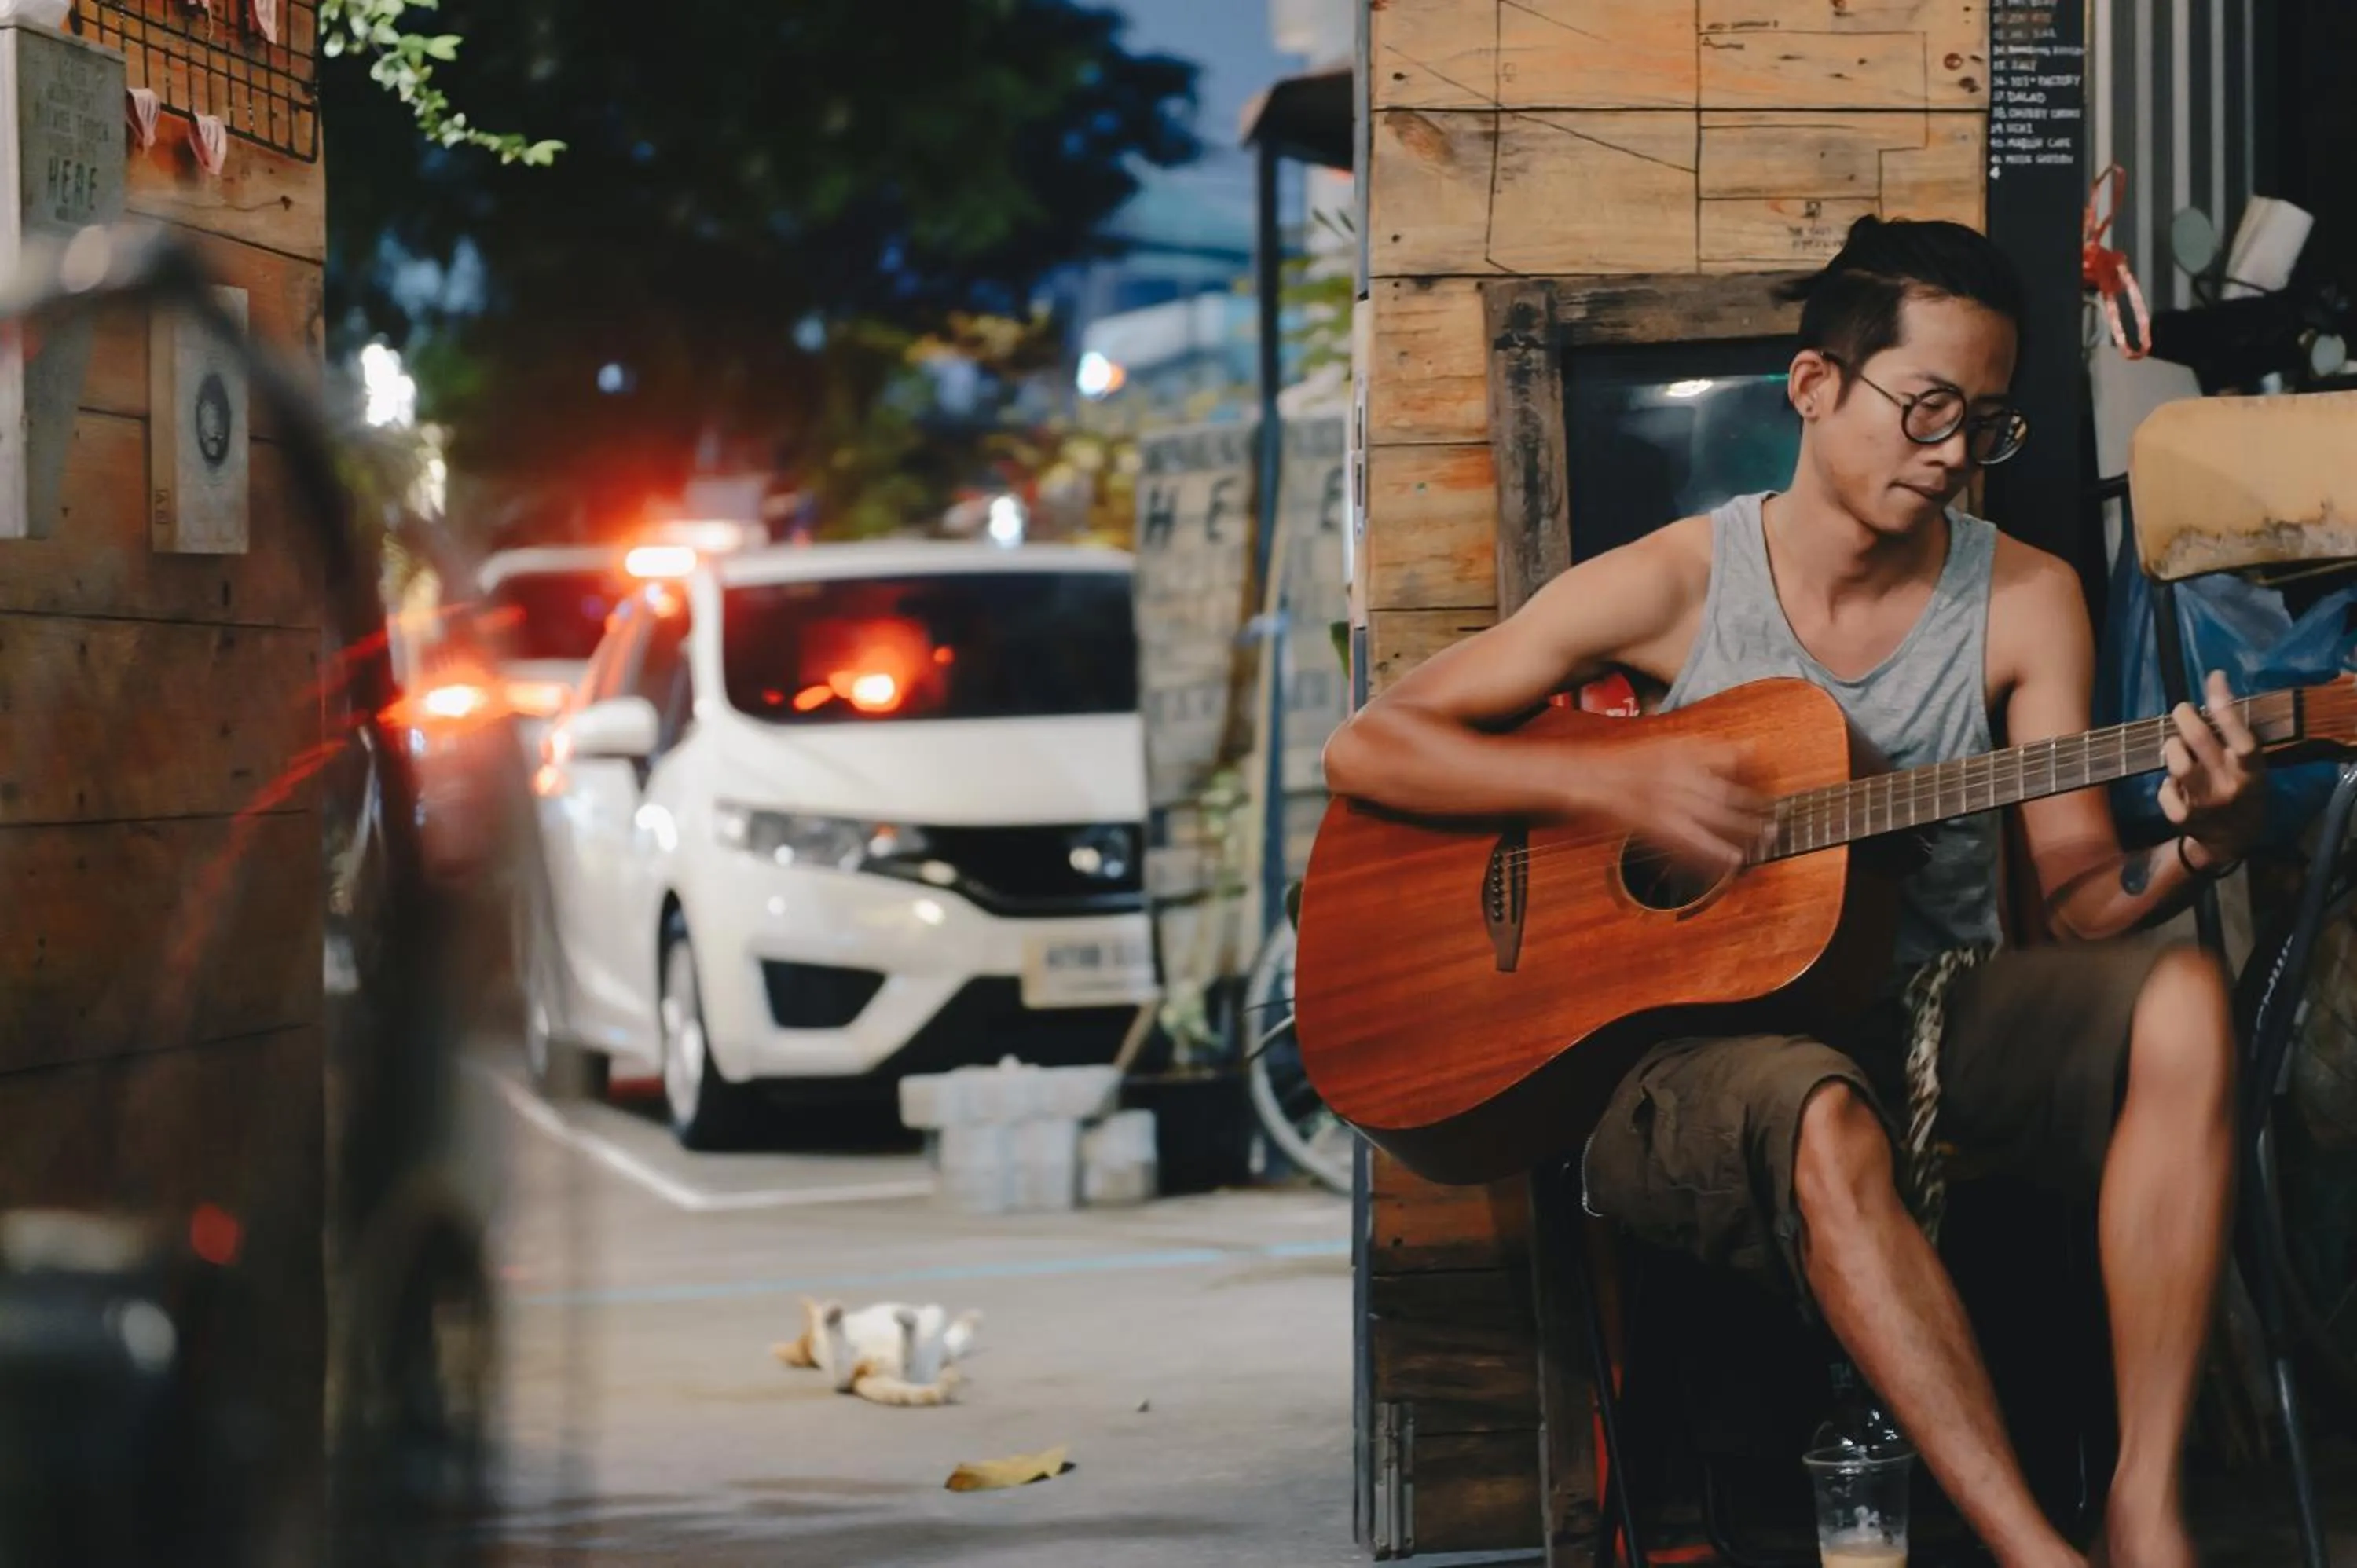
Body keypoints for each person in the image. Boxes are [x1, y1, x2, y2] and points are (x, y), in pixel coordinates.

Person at [1321, 216, 2260, 1568]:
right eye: (1925, 408)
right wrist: (1616, 792)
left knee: (2178, 991)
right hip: (1694, 1050)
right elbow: (1372, 743)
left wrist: (2199, 849)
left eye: (1983, 425)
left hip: (1930, 1010)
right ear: (1815, 386)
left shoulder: (2028, 601)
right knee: (1820, 1110)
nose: (1949, 455)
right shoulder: (1680, 581)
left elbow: (2070, 899)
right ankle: (2030, 1550)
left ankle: (2141, 1507)